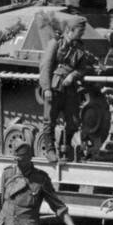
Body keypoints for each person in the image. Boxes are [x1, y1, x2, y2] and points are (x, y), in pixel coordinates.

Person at [0, 143, 85, 225]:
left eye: (21, 160)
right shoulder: (7, 174)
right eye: (16, 159)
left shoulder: (41, 179)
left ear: (29, 158)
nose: (17, 163)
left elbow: (58, 207)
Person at [38, 16, 98, 161]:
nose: (82, 34)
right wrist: (46, 88)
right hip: (54, 87)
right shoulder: (56, 43)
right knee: (49, 121)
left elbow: (83, 68)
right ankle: (50, 150)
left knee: (73, 121)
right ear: (70, 30)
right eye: (80, 30)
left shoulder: (79, 47)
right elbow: (45, 66)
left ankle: (64, 146)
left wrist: (73, 75)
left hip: (70, 89)